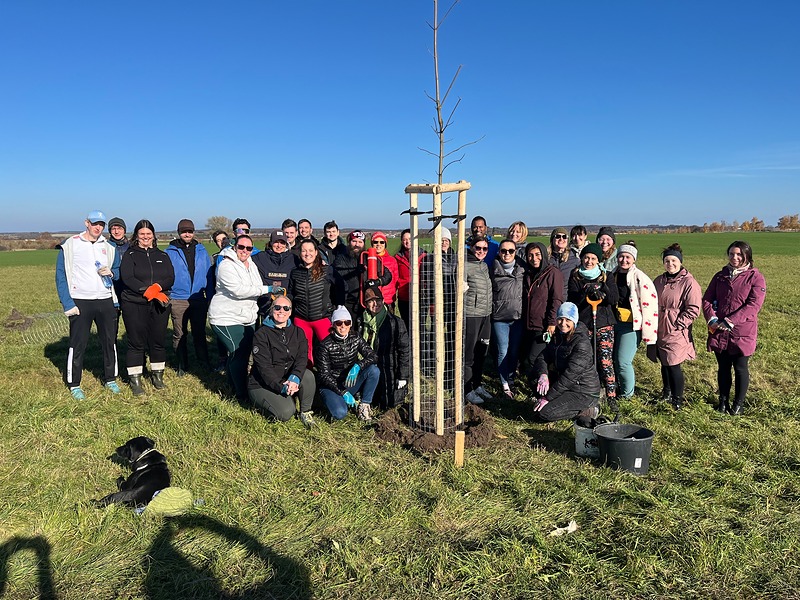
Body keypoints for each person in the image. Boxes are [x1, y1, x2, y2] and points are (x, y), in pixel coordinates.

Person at [55, 210, 120, 399]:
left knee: (109, 342)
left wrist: (112, 273)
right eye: (94, 223)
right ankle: (74, 383)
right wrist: (68, 303)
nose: (98, 227)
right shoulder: (70, 245)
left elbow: (117, 269)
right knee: (78, 344)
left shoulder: (109, 247)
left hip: (105, 299)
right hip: (80, 301)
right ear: (86, 223)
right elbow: (61, 276)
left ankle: (110, 379)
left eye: (101, 224)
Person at [702, 241, 766, 416]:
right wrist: (712, 318)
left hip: (742, 331)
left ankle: (738, 404)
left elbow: (754, 305)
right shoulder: (720, 276)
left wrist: (731, 321)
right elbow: (707, 299)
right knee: (723, 367)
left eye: (739, 254)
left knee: (740, 367)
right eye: (731, 254)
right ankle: (723, 401)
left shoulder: (755, 277)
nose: (734, 257)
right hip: (719, 330)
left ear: (747, 256)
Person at [208, 234, 274, 400]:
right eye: (241, 247)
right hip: (226, 318)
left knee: (240, 353)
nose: (245, 251)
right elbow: (238, 290)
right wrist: (268, 289)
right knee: (239, 354)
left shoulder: (251, 264)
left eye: (249, 248)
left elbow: (256, 285)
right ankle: (241, 394)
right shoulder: (226, 265)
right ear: (234, 247)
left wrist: (264, 290)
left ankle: (232, 384)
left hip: (247, 317)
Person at [119, 219, 175, 396]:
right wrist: (148, 291)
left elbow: (170, 277)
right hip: (134, 303)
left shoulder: (163, 255)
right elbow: (128, 278)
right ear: (136, 236)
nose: (145, 237)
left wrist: (158, 289)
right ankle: (135, 379)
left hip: (159, 304)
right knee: (136, 342)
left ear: (153, 236)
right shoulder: (129, 255)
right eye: (142, 234)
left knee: (158, 341)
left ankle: (157, 376)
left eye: (148, 234)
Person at [247, 295, 317, 428]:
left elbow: (302, 358)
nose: (281, 311)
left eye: (286, 308)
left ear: (290, 312)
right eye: (277, 307)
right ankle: (260, 402)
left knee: (307, 375)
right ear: (272, 309)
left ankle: (305, 411)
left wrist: (295, 378)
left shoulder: (298, 332)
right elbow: (264, 368)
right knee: (286, 413)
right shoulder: (261, 334)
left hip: (286, 378)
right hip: (261, 384)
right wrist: (282, 386)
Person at [567, 242, 619, 410]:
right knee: (584, 359)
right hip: (584, 324)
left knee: (605, 360)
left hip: (604, 323)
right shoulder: (575, 276)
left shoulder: (607, 276)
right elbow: (573, 300)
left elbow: (613, 298)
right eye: (586, 257)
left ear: (598, 260)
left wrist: (602, 290)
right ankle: (585, 391)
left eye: (593, 258)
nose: (589, 261)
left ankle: (611, 395)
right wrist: (585, 292)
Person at [532, 302, 602, 424]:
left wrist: (548, 397)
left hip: (583, 391)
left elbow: (570, 376)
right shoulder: (558, 336)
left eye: (567, 320)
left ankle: (589, 409)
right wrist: (543, 375)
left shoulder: (581, 343)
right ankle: (552, 402)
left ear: (574, 321)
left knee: (543, 414)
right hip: (566, 385)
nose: (563, 324)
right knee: (534, 377)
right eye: (560, 319)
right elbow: (542, 357)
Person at [651, 243, 702, 410]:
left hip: (676, 328)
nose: (670, 264)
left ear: (680, 262)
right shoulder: (659, 280)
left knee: (673, 363)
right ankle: (666, 393)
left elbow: (693, 309)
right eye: (667, 261)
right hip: (659, 327)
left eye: (673, 260)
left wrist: (678, 324)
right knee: (664, 362)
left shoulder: (689, 282)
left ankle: (677, 399)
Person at [165, 218, 212, 376]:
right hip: (179, 298)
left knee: (199, 332)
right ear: (179, 233)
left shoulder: (201, 250)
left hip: (198, 297)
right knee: (180, 333)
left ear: (193, 232)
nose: (187, 234)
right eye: (184, 231)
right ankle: (182, 363)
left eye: (190, 231)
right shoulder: (170, 252)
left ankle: (203, 361)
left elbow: (208, 273)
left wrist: (209, 294)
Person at [316, 307, 380, 421]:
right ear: (333, 325)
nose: (343, 326)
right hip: (332, 385)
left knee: (373, 370)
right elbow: (324, 375)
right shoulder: (324, 346)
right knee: (340, 413)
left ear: (350, 324)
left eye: (347, 322)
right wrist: (342, 392)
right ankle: (324, 401)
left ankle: (364, 405)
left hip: (350, 381)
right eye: (339, 322)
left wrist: (358, 366)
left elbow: (373, 356)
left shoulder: (356, 337)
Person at [611, 241, 658, 399]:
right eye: (621, 256)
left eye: (627, 257)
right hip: (613, 322)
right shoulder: (611, 275)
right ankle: (615, 387)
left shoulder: (640, 278)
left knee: (623, 361)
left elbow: (650, 307)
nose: (624, 260)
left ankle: (627, 395)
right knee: (611, 359)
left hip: (631, 326)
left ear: (634, 259)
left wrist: (650, 336)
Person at [288, 239, 344, 364]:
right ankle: (308, 380)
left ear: (316, 252)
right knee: (304, 353)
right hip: (301, 319)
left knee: (331, 351)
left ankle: (330, 379)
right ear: (300, 253)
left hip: (322, 317)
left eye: (310, 250)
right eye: (304, 251)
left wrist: (337, 307)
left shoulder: (327, 270)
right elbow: (291, 293)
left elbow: (340, 287)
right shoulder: (295, 272)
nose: (307, 254)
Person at [358, 286, 410, 410]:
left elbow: (405, 350)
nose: (376, 304)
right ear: (366, 304)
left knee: (389, 404)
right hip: (370, 366)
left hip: (391, 368)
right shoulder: (361, 322)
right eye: (371, 301)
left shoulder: (395, 323)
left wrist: (403, 376)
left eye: (379, 300)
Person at [522, 241, 564, 390]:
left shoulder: (553, 273)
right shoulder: (528, 273)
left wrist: (552, 323)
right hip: (528, 323)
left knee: (535, 358)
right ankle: (536, 386)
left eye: (538, 254)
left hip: (544, 324)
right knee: (528, 357)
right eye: (530, 255)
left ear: (544, 255)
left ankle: (540, 390)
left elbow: (556, 299)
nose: (534, 258)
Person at [419, 227, 458, 389]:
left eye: (446, 240)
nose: (443, 243)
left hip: (452, 302)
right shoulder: (429, 259)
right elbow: (426, 281)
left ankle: (449, 366)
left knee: (451, 335)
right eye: (440, 240)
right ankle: (433, 363)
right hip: (436, 301)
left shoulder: (456, 257)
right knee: (436, 332)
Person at [490, 239, 526, 398]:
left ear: (515, 252)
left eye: (510, 251)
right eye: (504, 251)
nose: (507, 254)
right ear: (499, 252)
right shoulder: (492, 269)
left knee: (514, 351)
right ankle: (504, 383)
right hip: (500, 318)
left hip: (517, 318)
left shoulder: (522, 269)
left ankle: (511, 377)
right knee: (502, 351)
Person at [333, 230, 391, 319]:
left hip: (367, 302)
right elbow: (338, 275)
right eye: (354, 241)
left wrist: (377, 282)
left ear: (364, 244)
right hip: (348, 303)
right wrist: (356, 272)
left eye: (360, 242)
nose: (357, 244)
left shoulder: (369, 258)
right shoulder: (341, 258)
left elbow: (387, 275)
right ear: (349, 242)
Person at [464, 235, 493, 404]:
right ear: (472, 247)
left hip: (485, 314)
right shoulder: (465, 266)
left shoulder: (484, 265)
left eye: (485, 249)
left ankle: (477, 384)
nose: (481, 251)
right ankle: (467, 390)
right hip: (471, 315)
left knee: (482, 352)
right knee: (469, 354)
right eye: (478, 248)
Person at [394, 228, 425, 330]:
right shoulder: (397, 258)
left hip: (420, 296)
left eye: (410, 239)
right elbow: (395, 277)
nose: (407, 242)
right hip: (404, 297)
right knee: (407, 325)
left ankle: (419, 346)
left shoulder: (424, 256)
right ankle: (408, 346)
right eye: (404, 239)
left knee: (420, 325)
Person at [209, 229, 231, 372]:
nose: (222, 242)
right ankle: (223, 360)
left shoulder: (238, 253)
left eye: (224, 239)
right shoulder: (215, 257)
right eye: (218, 240)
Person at [370, 231, 399, 310]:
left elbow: (396, 279)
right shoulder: (367, 259)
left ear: (385, 244)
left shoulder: (392, 260)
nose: (379, 244)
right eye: (376, 242)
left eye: (382, 242)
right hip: (372, 299)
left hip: (388, 300)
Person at [548, 227, 579, 298]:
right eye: (558, 236)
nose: (561, 239)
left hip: (567, 300)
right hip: (549, 300)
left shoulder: (574, 260)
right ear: (552, 240)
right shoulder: (546, 259)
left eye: (564, 237)